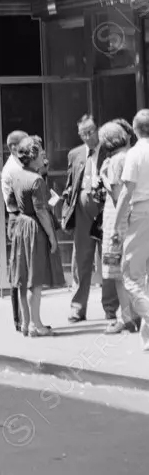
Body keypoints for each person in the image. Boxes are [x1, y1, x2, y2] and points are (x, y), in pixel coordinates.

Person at [61, 114, 115, 323]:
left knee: (108, 258)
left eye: (90, 132)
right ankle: (78, 308)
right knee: (80, 260)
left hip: (104, 211)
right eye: (83, 133)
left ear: (97, 130)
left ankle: (110, 308)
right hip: (83, 213)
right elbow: (70, 183)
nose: (87, 137)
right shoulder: (75, 154)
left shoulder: (109, 151)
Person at [8, 135, 65, 335]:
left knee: (22, 279)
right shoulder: (37, 180)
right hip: (34, 229)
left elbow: (13, 203)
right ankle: (36, 324)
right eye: (40, 153)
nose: (43, 156)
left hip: (21, 226)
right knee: (35, 279)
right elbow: (41, 210)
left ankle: (25, 323)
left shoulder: (16, 175)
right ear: (32, 157)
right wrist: (51, 236)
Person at [97, 121, 139, 334]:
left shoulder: (114, 161)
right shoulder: (132, 155)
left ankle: (127, 316)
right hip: (135, 217)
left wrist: (103, 178)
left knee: (117, 270)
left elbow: (116, 194)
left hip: (117, 219)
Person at [113, 108, 149, 352]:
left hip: (142, 213)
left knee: (130, 275)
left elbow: (126, 191)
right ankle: (147, 337)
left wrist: (117, 222)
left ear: (135, 130)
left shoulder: (135, 154)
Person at [1, 130, 27, 331]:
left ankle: (25, 318)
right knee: (17, 269)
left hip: (21, 218)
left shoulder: (22, 165)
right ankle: (18, 319)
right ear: (13, 147)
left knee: (23, 268)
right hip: (17, 218)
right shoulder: (12, 169)